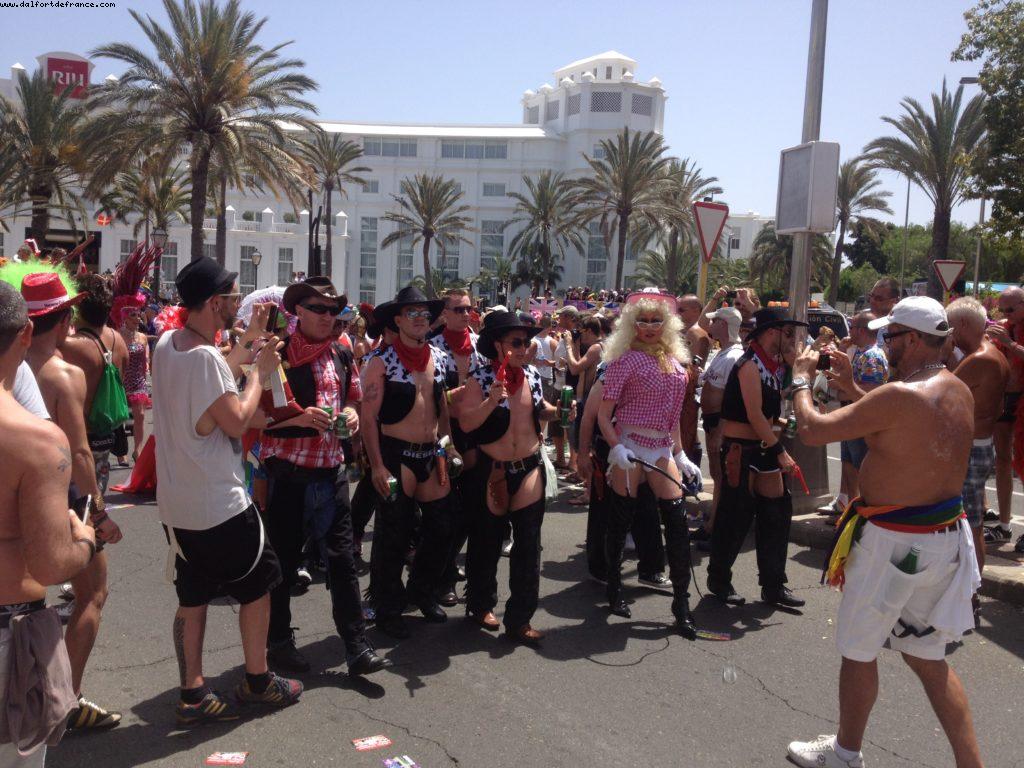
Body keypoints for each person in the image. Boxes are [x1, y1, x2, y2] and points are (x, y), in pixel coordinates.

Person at [787, 296, 983, 768]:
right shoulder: (954, 389)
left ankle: (845, 754)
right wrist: (856, 389)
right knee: (929, 659)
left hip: (894, 544)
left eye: (888, 336)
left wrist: (800, 378)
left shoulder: (899, 396)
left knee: (858, 650)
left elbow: (812, 430)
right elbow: (900, 429)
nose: (881, 343)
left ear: (913, 339)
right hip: (941, 543)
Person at [153, 257, 302, 725]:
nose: (239, 306)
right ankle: (258, 681)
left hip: (178, 508)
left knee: (192, 594)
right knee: (259, 586)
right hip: (220, 505)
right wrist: (260, 370)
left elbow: (213, 371)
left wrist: (248, 344)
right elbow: (237, 419)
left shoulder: (168, 345)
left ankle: (192, 692)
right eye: (235, 298)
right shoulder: (202, 359)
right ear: (215, 302)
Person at [259, 277, 390, 676]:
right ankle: (279, 642)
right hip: (287, 473)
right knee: (281, 563)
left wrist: (351, 413)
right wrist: (300, 418)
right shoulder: (275, 355)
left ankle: (355, 646)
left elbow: (350, 398)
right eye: (319, 309)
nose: (328, 317)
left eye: (333, 311)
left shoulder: (341, 353)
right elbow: (254, 416)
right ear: (298, 311)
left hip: (330, 471)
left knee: (343, 559)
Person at [17, 271, 124, 731]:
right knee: (92, 593)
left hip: (16, 492)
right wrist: (99, 514)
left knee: (23, 596)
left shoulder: (12, 366)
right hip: (62, 498)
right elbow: (80, 453)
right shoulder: (65, 374)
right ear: (64, 322)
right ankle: (65, 698)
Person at [0, 282, 97, 768]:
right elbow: (50, 561)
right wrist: (84, 538)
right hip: (9, 631)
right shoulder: (36, 442)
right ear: (24, 335)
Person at [597, 291, 701, 638]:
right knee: (620, 519)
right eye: (643, 321)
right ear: (631, 324)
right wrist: (616, 447)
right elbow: (602, 414)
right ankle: (614, 587)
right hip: (629, 443)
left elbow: (673, 418)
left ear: (667, 323)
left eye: (657, 320)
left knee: (676, 520)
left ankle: (681, 605)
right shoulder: (623, 361)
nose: (650, 327)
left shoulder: (675, 362)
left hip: (661, 448)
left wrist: (681, 454)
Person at [361, 286, 460, 639]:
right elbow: (368, 417)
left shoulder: (439, 357)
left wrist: (449, 447)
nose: (420, 320)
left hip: (431, 453)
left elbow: (443, 407)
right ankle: (387, 607)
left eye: (424, 314)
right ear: (398, 320)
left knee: (442, 527)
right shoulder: (381, 361)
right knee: (393, 534)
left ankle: (422, 591)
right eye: (412, 314)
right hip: (395, 453)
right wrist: (375, 465)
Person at [459, 311, 562, 644]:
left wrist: (558, 412)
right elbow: (466, 423)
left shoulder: (531, 375)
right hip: (494, 470)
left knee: (529, 546)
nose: (524, 348)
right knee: (486, 542)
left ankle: (519, 619)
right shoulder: (479, 378)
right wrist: (491, 401)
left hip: (528, 466)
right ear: (498, 345)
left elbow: (539, 409)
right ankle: (480, 604)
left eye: (526, 342)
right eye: (516, 343)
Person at [707, 306, 806, 609]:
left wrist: (794, 367)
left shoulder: (771, 366)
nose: (790, 338)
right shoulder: (749, 364)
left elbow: (771, 410)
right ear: (769, 332)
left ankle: (774, 585)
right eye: (785, 332)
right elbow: (753, 415)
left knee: (776, 513)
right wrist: (781, 451)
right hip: (741, 447)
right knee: (734, 515)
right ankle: (719, 578)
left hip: (762, 446)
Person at [430, 288, 484, 607]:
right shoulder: (433, 348)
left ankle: (449, 569)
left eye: (469, 309)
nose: (466, 314)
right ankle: (440, 575)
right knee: (444, 511)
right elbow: (431, 399)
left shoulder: (479, 346)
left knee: (471, 509)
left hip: (474, 434)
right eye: (459, 309)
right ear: (444, 314)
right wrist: (453, 398)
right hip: (444, 435)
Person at [947, 297, 1008, 576]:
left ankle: (971, 592)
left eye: (949, 328)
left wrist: (944, 353)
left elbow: (939, 393)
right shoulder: (996, 355)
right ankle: (969, 592)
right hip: (981, 445)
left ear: (961, 324)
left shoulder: (980, 359)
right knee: (971, 523)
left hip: (971, 448)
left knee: (970, 526)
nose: (948, 334)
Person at [60, 274, 129, 499]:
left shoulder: (70, 347)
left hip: (79, 438)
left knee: (77, 505)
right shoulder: (118, 340)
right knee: (97, 493)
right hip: (106, 433)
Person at [818, 311, 889, 516]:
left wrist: (841, 388)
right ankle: (850, 508)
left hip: (862, 419)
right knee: (849, 464)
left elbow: (869, 393)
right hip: (851, 416)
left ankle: (865, 512)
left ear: (860, 330)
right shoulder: (859, 352)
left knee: (861, 468)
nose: (849, 330)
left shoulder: (872, 356)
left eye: (853, 326)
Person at [693, 307, 744, 548]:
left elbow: (732, 398)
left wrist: (721, 430)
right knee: (717, 475)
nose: (709, 325)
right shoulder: (723, 353)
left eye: (714, 321)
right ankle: (712, 523)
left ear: (724, 325)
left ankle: (717, 528)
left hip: (720, 423)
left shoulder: (734, 356)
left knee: (723, 476)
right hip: (713, 421)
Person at [985, 286, 1024, 550]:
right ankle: (1005, 525)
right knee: (1001, 460)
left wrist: (1010, 344)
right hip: (1003, 399)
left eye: (1011, 309)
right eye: (1003, 310)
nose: (1007, 315)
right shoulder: (1002, 326)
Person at [113, 295, 150, 462]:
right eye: (133, 315)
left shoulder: (142, 337)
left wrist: (146, 370)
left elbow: (144, 359)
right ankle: (121, 451)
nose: (137, 318)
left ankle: (138, 449)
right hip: (121, 379)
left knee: (140, 414)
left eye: (138, 314)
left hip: (138, 379)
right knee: (119, 416)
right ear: (125, 318)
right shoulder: (117, 336)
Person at [551, 305, 580, 471]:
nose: (558, 319)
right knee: (556, 425)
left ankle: (573, 463)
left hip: (569, 387)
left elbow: (576, 362)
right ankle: (561, 458)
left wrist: (566, 363)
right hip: (558, 384)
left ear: (569, 317)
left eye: (561, 316)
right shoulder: (564, 336)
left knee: (570, 427)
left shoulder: (575, 337)